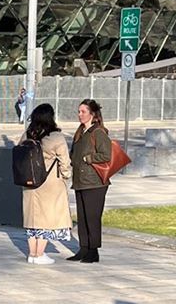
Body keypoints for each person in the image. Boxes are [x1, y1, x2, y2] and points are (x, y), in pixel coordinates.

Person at [19, 103, 72, 265]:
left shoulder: (27, 134)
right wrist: (66, 176)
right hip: (49, 184)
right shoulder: (56, 137)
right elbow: (65, 162)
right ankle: (40, 253)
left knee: (32, 219)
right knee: (47, 218)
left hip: (28, 182)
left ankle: (32, 253)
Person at [70, 97, 112, 264]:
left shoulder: (98, 132)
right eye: (79, 111)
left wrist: (89, 158)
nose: (79, 114)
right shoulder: (81, 132)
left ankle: (93, 251)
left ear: (92, 114)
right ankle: (84, 248)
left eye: (83, 112)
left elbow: (106, 155)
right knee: (82, 216)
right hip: (80, 180)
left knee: (92, 216)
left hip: (95, 182)